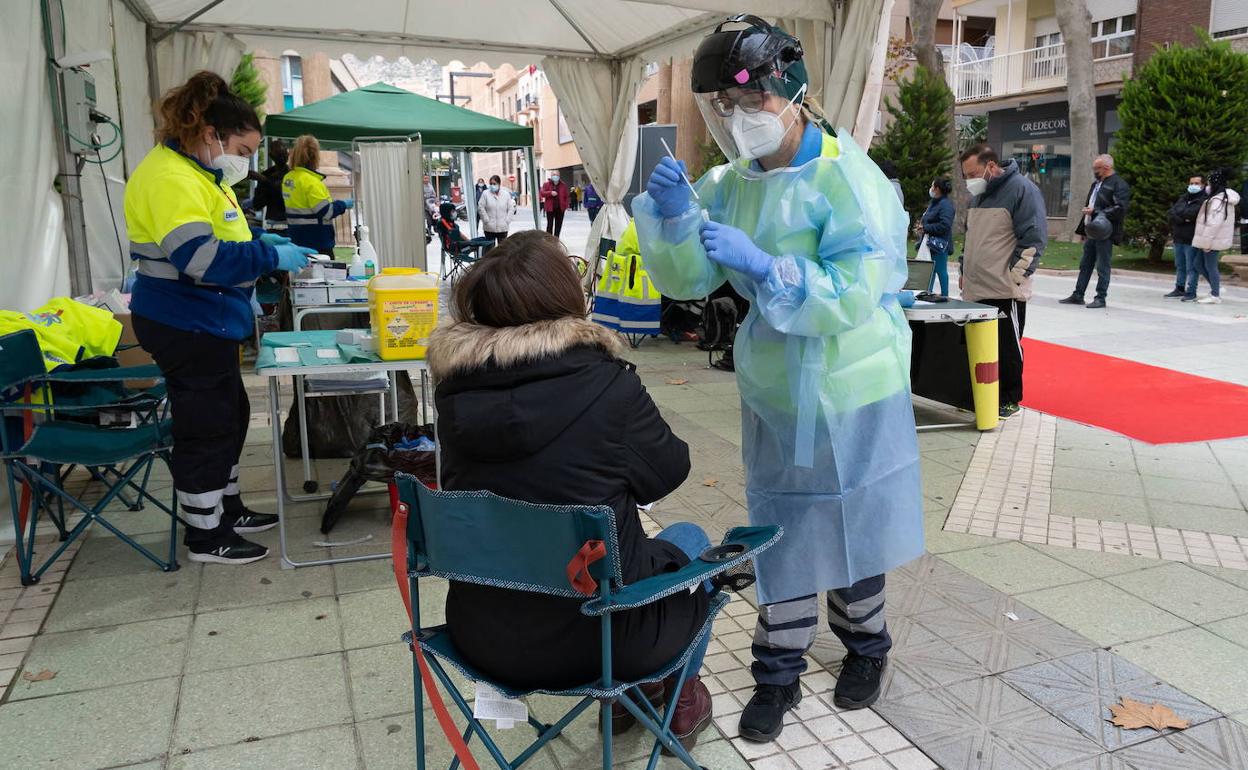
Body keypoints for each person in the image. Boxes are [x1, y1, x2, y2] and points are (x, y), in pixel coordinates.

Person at [635, 15, 923, 741]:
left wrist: (770, 269)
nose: (737, 120)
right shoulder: (729, 185)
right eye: (721, 108)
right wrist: (672, 220)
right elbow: (690, 276)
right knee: (781, 529)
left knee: (857, 522)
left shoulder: (850, 180)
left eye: (748, 101)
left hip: (855, 385)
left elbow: (856, 292)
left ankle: (866, 648)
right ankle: (778, 671)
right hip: (775, 390)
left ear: (789, 90)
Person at [428, 231, 716, 749]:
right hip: (607, 644)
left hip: (482, 637)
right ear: (566, 297)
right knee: (691, 536)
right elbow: (669, 471)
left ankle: (648, 690)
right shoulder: (608, 384)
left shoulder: (453, 394)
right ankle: (674, 695)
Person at [124, 71, 317, 564]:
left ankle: (226, 509)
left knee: (231, 416)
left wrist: (258, 242)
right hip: (184, 320)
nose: (247, 161)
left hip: (209, 319)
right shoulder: (170, 178)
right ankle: (206, 535)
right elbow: (200, 259)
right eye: (245, 149)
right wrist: (269, 259)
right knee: (205, 425)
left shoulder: (198, 173)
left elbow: (223, 235)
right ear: (211, 134)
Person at [958, 144, 1045, 419]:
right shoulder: (978, 198)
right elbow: (971, 240)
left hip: (1004, 288)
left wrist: (1014, 278)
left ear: (991, 167)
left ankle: (1009, 398)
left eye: (973, 173)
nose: (969, 180)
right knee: (976, 346)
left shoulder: (1022, 190)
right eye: (965, 175)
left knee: (1007, 347)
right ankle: (980, 394)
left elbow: (1033, 239)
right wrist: (963, 270)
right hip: (976, 287)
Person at [1060, 154, 1130, 309]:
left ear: (1106, 167)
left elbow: (1121, 208)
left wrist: (1095, 211)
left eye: (1096, 168)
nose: (1094, 171)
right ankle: (1078, 294)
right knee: (1085, 264)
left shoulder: (1118, 184)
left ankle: (1101, 297)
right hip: (1092, 229)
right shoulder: (1097, 184)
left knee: (1103, 265)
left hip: (1105, 231)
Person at [282, 135, 353, 254]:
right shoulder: (312, 182)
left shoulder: (289, 178)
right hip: (318, 242)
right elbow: (326, 212)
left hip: (296, 238)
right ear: (315, 157)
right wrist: (343, 204)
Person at [1190, 168, 1240, 304]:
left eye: (1209, 183)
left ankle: (1215, 295)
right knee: (1198, 264)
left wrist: (1207, 243)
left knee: (1210, 266)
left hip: (1212, 240)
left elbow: (1214, 224)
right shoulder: (1217, 198)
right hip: (1208, 239)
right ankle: (1216, 288)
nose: (1207, 186)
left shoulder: (1219, 200)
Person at [1166, 175, 1208, 299]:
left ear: (1203, 185)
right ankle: (1179, 288)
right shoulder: (1183, 197)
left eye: (1196, 183)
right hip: (1178, 236)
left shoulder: (1203, 200)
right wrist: (1184, 218)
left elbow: (1193, 214)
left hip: (1191, 238)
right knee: (1180, 265)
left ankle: (1191, 291)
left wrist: (1181, 215)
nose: (1193, 186)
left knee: (1192, 267)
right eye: (1191, 183)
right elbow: (1172, 212)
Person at [917, 177, 955, 296]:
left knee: (940, 270)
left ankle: (945, 295)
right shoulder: (935, 203)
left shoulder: (945, 205)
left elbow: (945, 225)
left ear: (937, 189)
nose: (931, 189)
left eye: (933, 186)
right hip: (930, 242)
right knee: (931, 270)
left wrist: (926, 228)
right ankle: (928, 293)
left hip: (939, 244)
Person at [248, 138, 289, 228]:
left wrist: (265, 181)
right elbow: (258, 204)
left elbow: (285, 194)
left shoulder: (292, 174)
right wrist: (261, 186)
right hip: (273, 224)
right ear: (271, 155)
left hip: (291, 224)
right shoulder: (266, 175)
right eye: (279, 153)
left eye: (284, 153)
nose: (283, 156)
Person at [477, 174, 516, 245]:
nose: (492, 186)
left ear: (499, 184)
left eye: (494, 184)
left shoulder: (506, 195)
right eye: (491, 184)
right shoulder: (485, 194)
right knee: (490, 249)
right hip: (489, 227)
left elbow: (511, 208)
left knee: (502, 250)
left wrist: (507, 220)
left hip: (502, 227)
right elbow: (480, 207)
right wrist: (486, 220)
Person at [541, 170, 570, 236]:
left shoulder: (563, 185)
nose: (555, 176)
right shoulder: (546, 184)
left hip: (560, 209)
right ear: (551, 176)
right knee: (549, 225)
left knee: (558, 226)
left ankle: (556, 240)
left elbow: (566, 196)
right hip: (550, 208)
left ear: (559, 176)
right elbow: (542, 193)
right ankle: (549, 240)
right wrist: (550, 193)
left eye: (557, 175)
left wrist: (566, 206)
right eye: (554, 175)